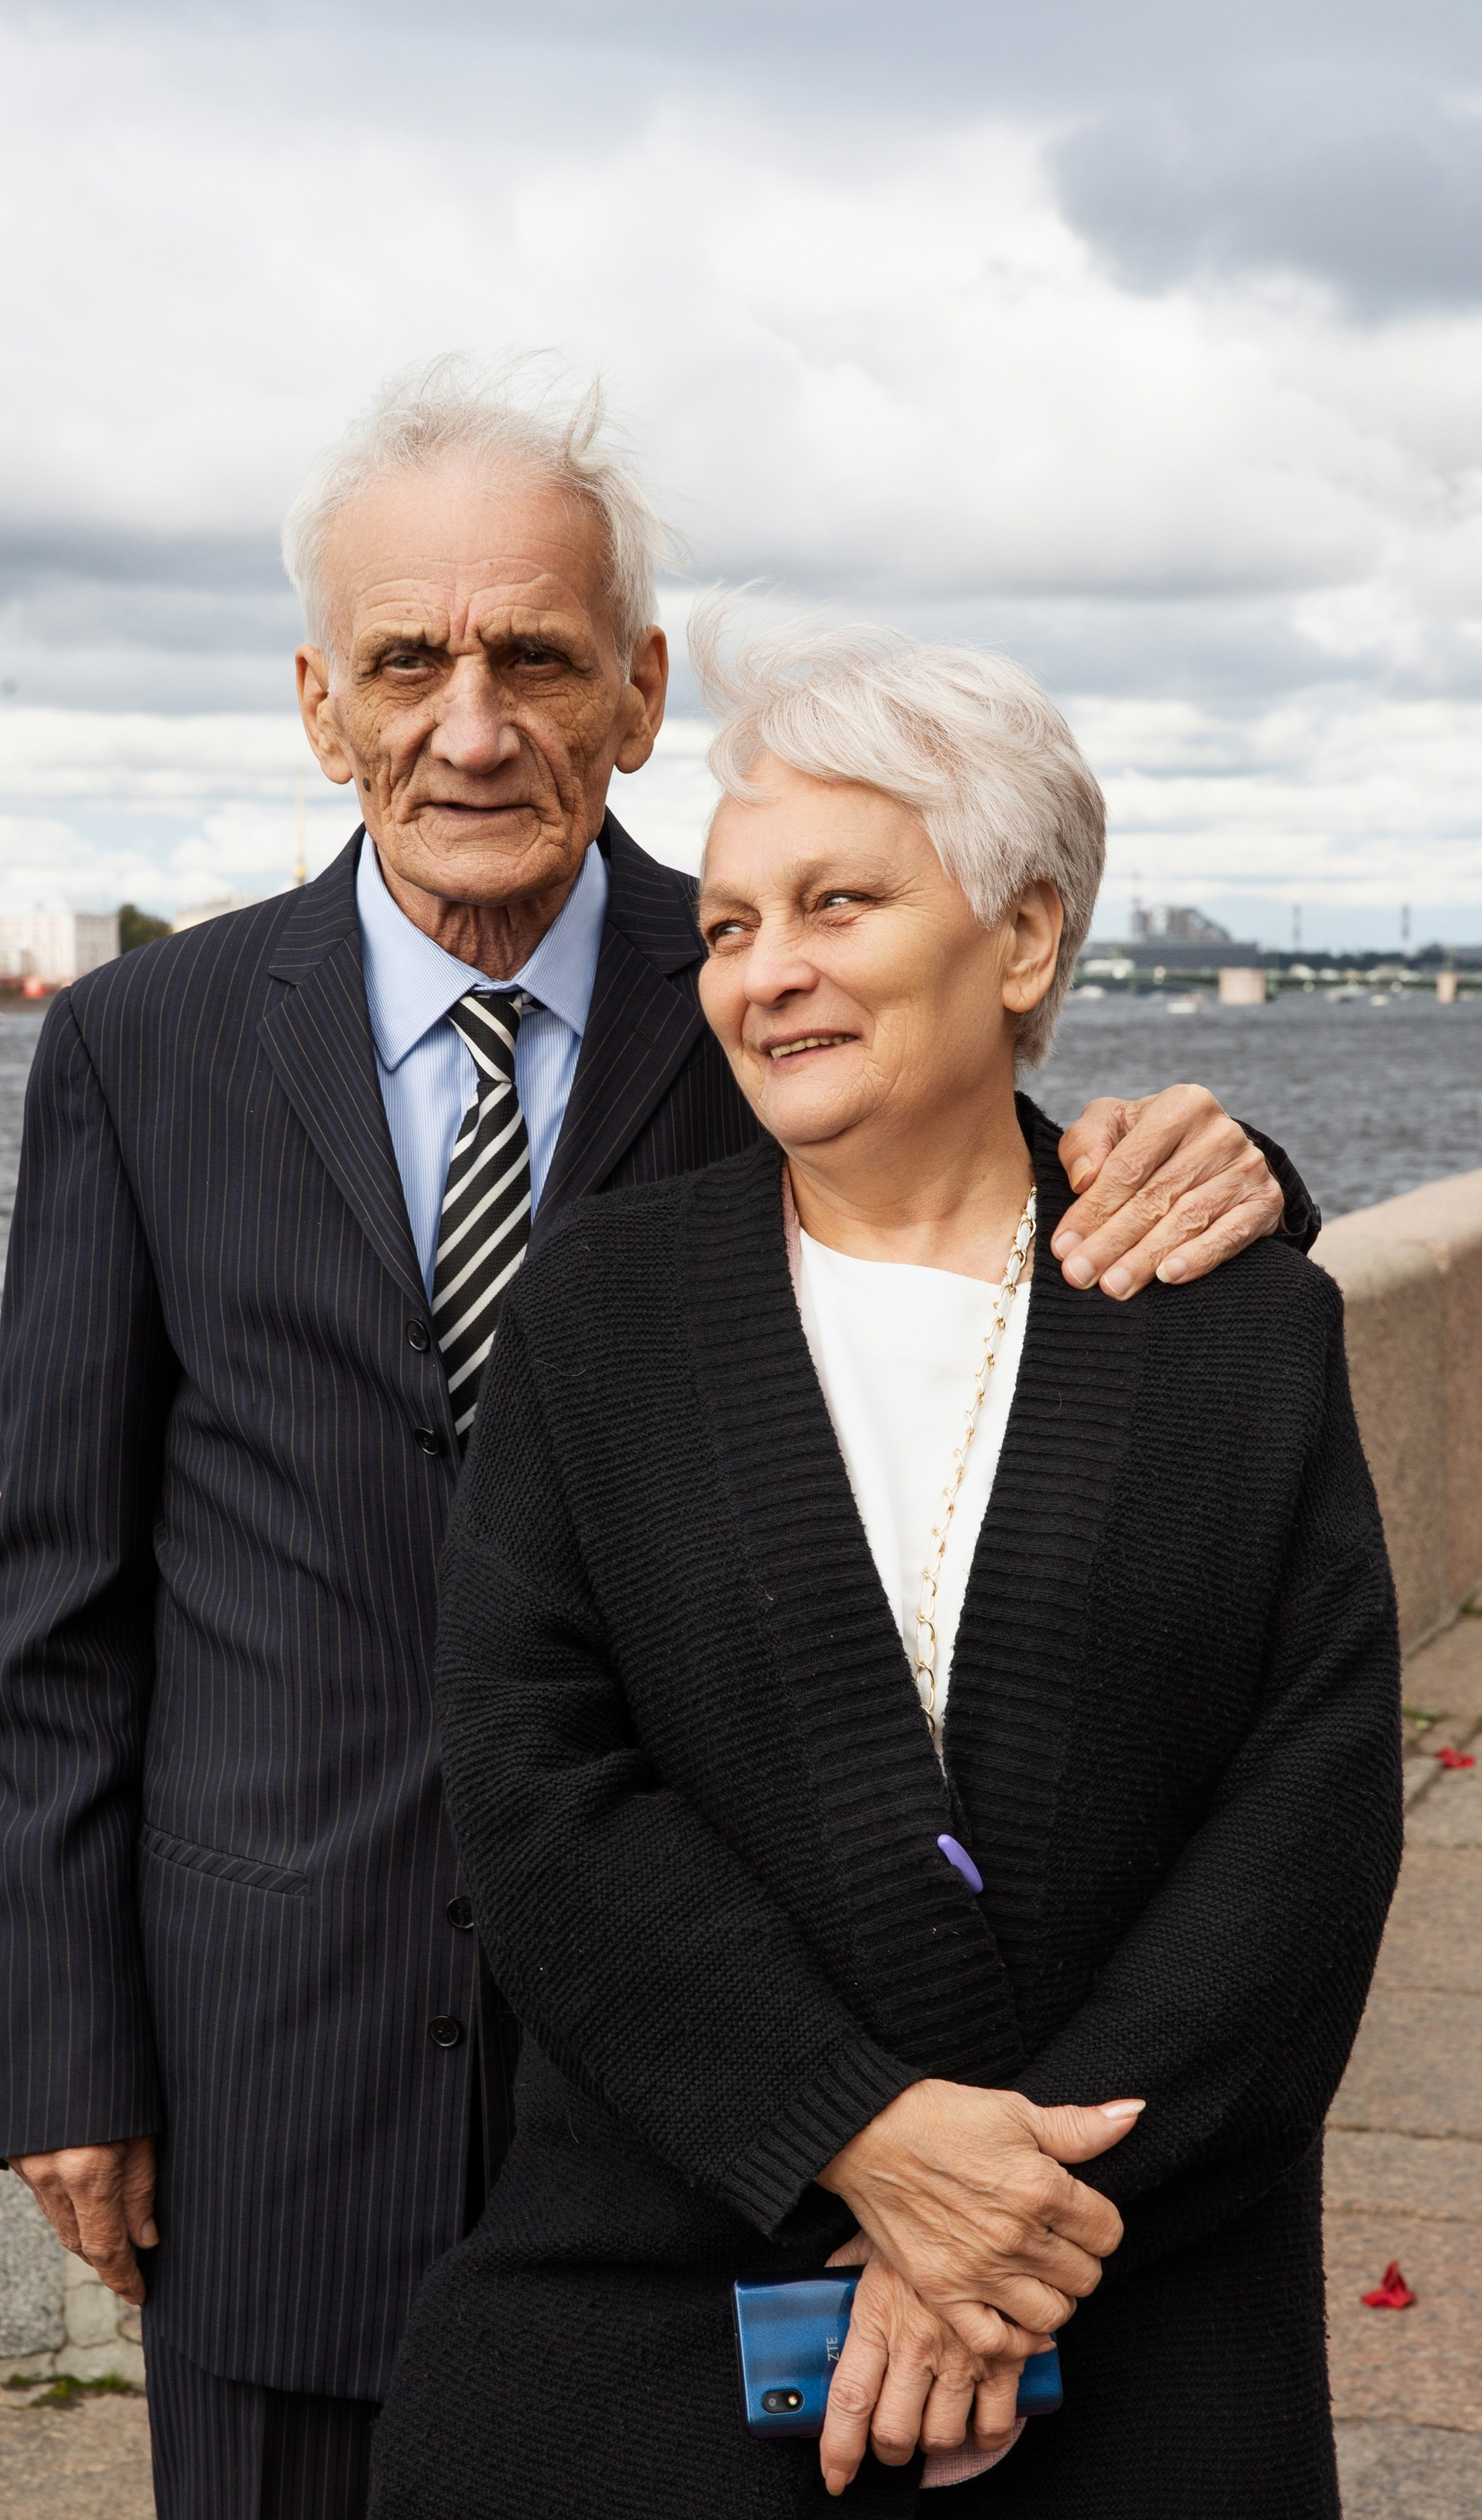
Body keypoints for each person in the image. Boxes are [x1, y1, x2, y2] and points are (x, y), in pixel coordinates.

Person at [0, 366, 1322, 2520]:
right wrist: (66, 2046)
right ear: (323, 706)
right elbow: (61, 1596)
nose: (470, 723)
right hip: (283, 2060)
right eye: (407, 662)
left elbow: (1003, 1191)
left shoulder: (774, 984)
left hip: (715, 2093)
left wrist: (1240, 1173)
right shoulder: (147, 1050)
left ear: (637, 688)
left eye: (535, 657)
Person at [368, 619, 1403, 2519]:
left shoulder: (1236, 1331)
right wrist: (857, 2133)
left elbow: (1308, 1820)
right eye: (733, 927)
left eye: (834, 904)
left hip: (1139, 2299)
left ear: (1020, 939)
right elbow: (535, 1782)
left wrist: (995, 2239)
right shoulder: (601, 1310)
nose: (765, 976)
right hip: (666, 2297)